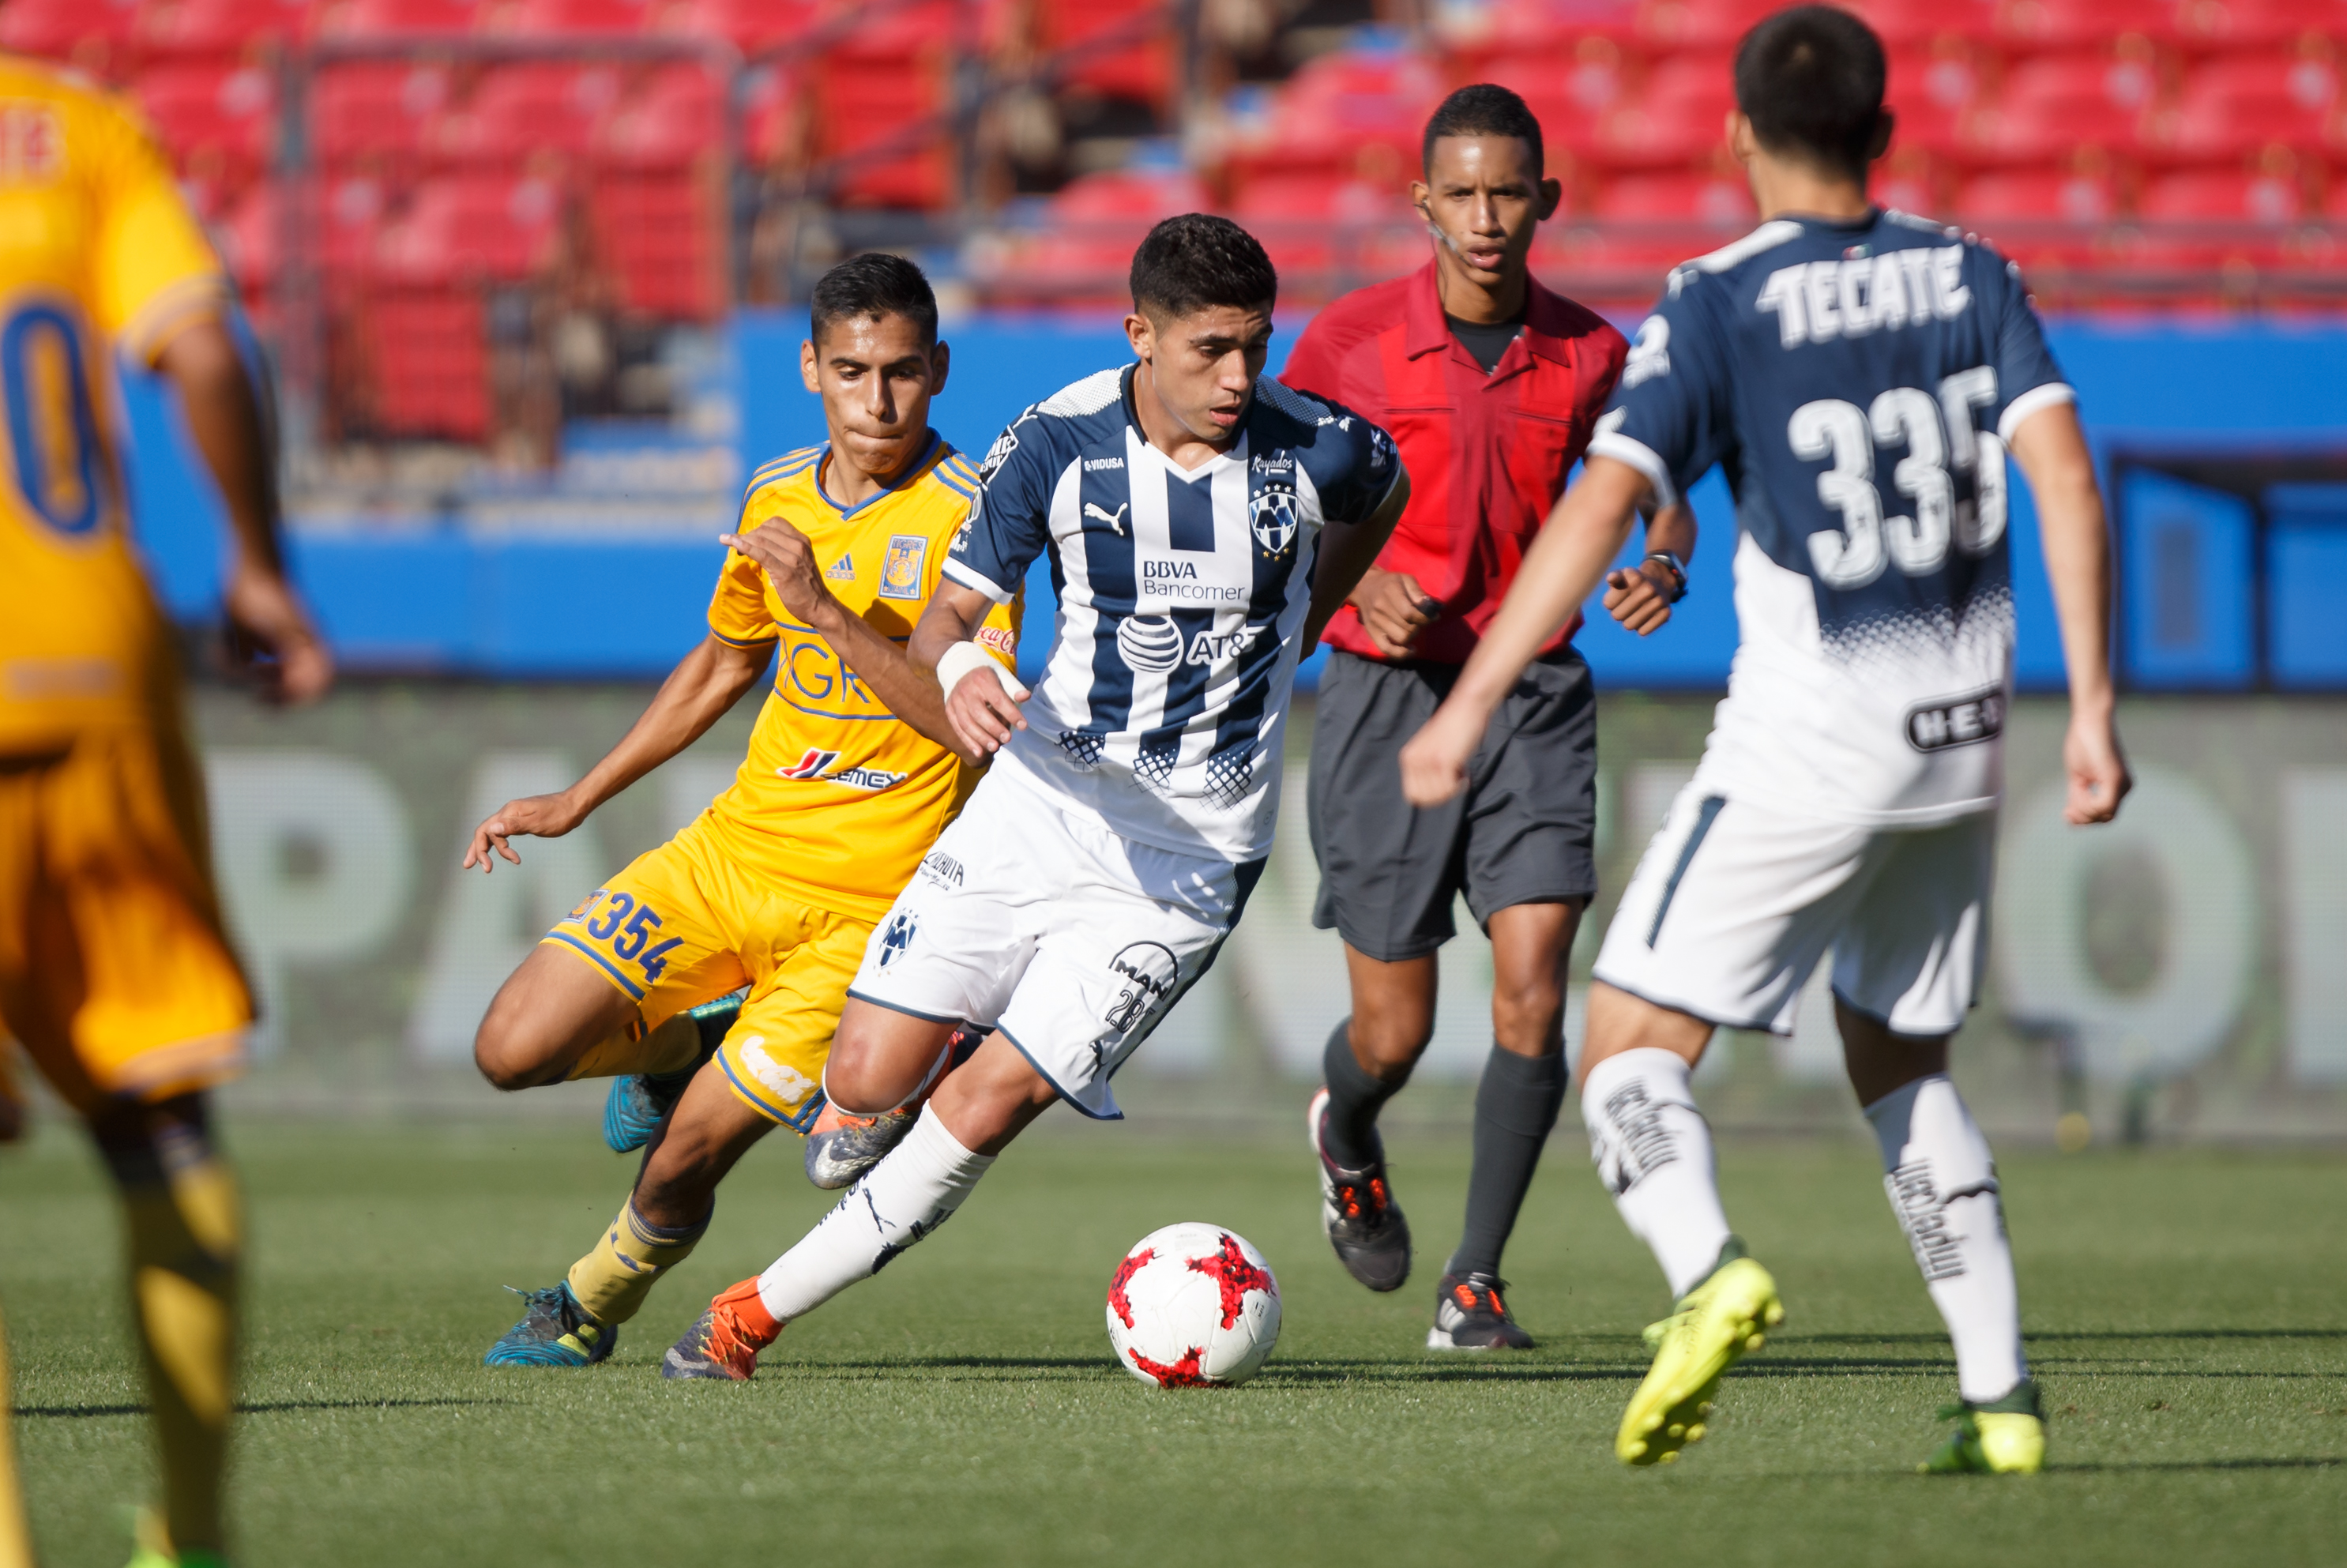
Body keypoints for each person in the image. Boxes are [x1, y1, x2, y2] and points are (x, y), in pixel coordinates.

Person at [1399, 6, 2130, 1472]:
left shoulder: (1718, 302)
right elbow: (2061, 474)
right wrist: (2095, 709)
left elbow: (1603, 508)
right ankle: (1998, 1400)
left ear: (1736, 137)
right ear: (1883, 137)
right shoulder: (1972, 274)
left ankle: (1704, 1271)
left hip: (1812, 741)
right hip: (1961, 738)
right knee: (1902, 1062)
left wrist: (1469, 700)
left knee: (1620, 1049)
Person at [656, 214, 1412, 1381]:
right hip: (1040, 804)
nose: (1238, 378)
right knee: (853, 1097)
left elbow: (1381, 492)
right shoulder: (1056, 441)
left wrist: (1305, 612)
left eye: (1255, 348)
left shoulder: (1321, 451)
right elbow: (953, 613)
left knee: (992, 1104)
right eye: (1209, 349)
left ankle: (748, 1316)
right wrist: (959, 674)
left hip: (1183, 869)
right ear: (1137, 335)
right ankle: (929, 1038)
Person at [468, 255, 1017, 1368]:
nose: (877, 401)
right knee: (509, 1048)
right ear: (810, 366)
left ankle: (587, 1302)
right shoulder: (774, 494)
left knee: (682, 1162)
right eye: (852, 371)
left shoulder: (975, 523)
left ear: (939, 371)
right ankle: (673, 1050)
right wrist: (579, 797)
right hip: (731, 857)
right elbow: (723, 664)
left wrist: (824, 605)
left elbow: (973, 722)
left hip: (865, 915)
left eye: (903, 372)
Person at [1281, 81, 1696, 1348]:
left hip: (1533, 699)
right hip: (1384, 701)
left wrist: (1663, 559)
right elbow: (1274, 500)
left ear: (1543, 202)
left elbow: (1663, 486)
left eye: (1505, 191)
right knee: (1392, 1033)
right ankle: (1344, 1128)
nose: (1482, 216)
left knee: (1531, 993)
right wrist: (1363, 573)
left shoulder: (1589, 351)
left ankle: (1475, 1283)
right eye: (1458, 192)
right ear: (1421, 202)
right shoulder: (1345, 343)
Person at [0, 55, 335, 1568]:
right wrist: (256, 563)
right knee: (160, 1117)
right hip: (92, 665)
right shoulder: (69, 130)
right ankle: (187, 1541)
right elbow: (202, 350)